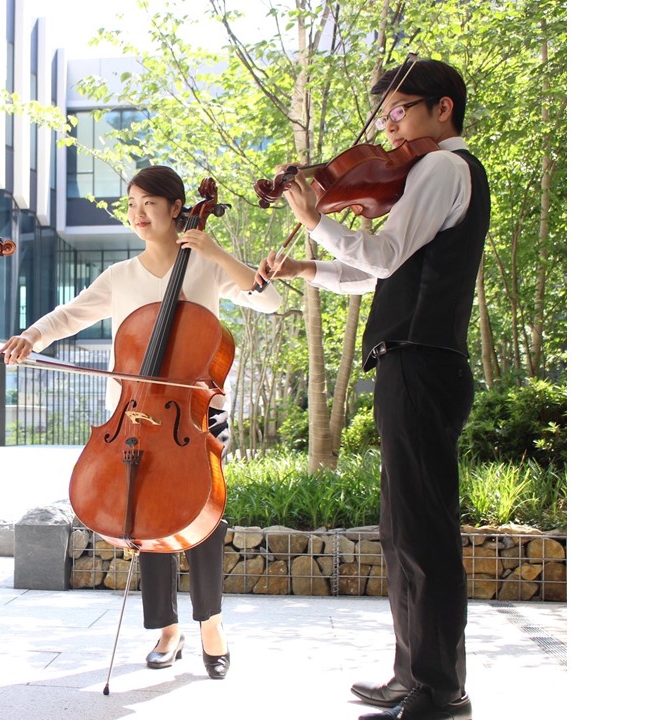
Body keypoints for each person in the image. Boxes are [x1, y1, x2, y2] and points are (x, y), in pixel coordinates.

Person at [256, 58, 486, 720]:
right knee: (401, 529)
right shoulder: (427, 174)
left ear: (442, 109)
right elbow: (374, 275)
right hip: (411, 362)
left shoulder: (444, 167)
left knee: (424, 533)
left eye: (397, 112)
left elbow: (381, 257)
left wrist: (317, 217)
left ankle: (441, 691)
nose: (388, 130)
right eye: (384, 116)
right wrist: (307, 260)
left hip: (422, 361)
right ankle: (413, 675)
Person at [0, 165, 280, 680]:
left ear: (177, 209)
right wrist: (31, 337)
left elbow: (271, 299)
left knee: (206, 516)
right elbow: (70, 315)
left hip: (195, 414)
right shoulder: (120, 277)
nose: (137, 214)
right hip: (134, 414)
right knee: (142, 517)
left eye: (148, 203)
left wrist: (217, 253)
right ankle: (166, 629)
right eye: (131, 204)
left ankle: (210, 623)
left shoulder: (206, 267)